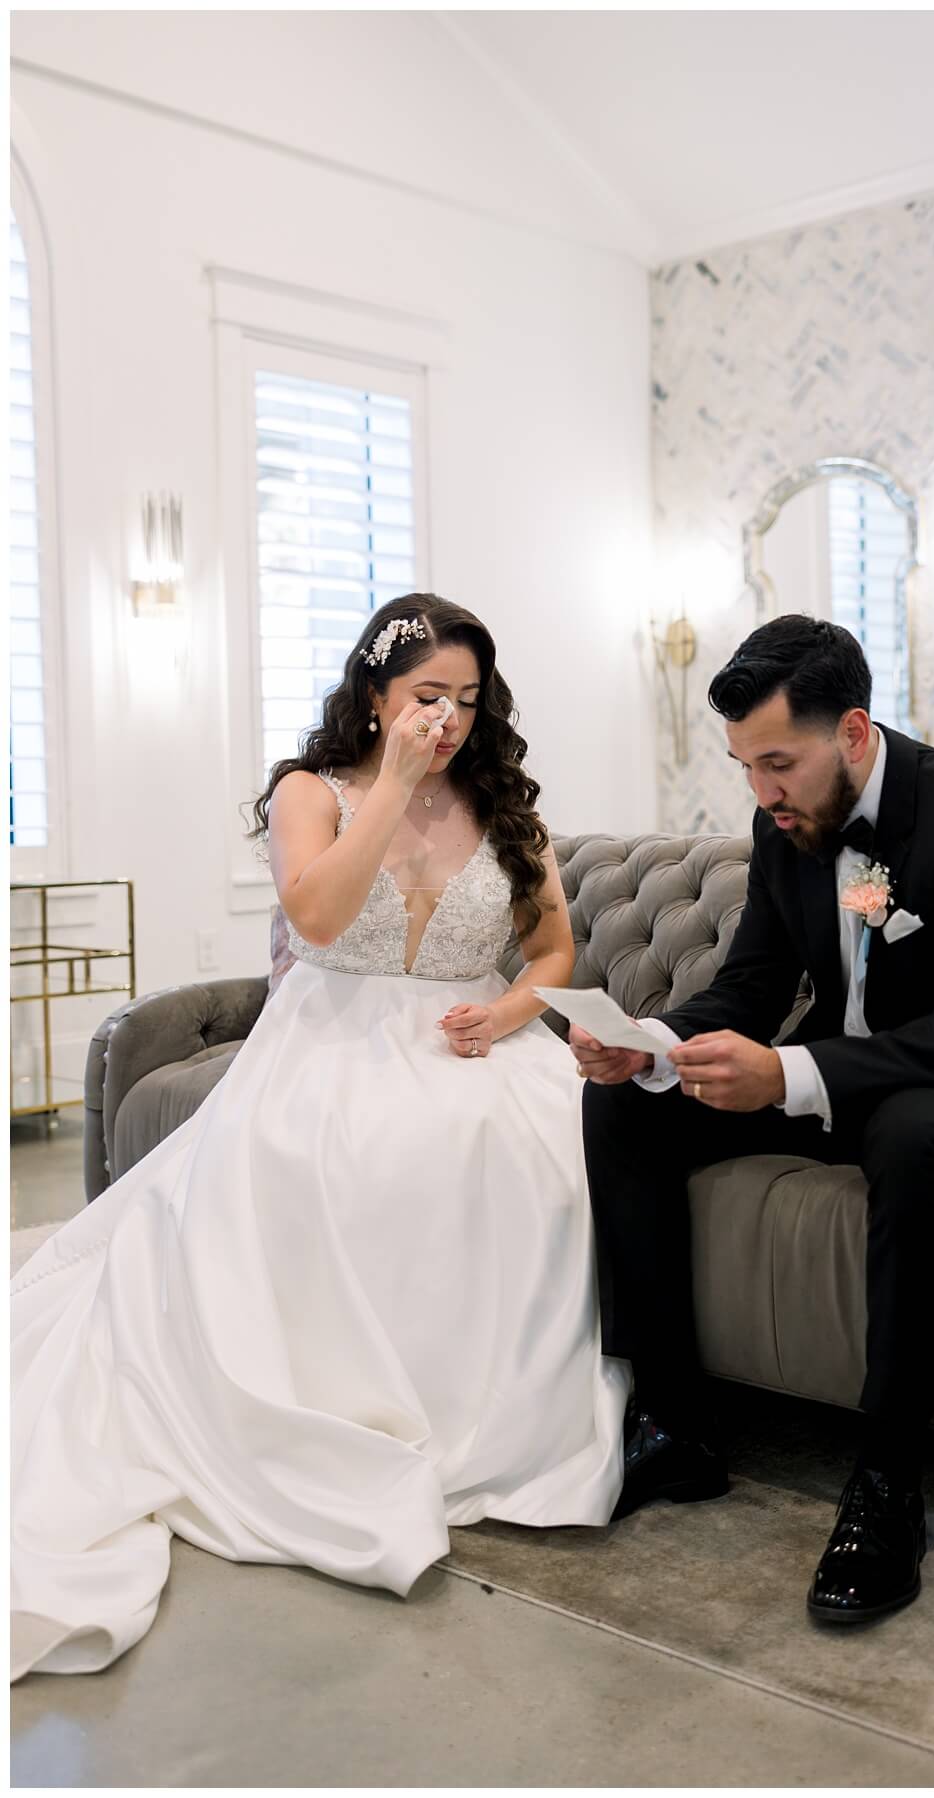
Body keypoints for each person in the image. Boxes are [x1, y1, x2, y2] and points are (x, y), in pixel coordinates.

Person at [12, 596, 627, 1682]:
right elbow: (320, 919)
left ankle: (487, 1419)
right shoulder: (315, 790)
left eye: (468, 701)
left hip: (474, 1038)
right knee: (345, 1156)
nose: (447, 720)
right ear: (377, 694)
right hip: (334, 1036)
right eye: (427, 696)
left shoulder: (504, 811)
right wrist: (389, 788)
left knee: (539, 1156)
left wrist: (511, 1012)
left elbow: (553, 953)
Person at [574, 615, 934, 1622]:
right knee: (625, 1104)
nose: (762, 792)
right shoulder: (782, 825)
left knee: (914, 1131)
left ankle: (886, 1487)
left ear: (856, 733)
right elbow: (751, 985)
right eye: (746, 767)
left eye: (779, 764)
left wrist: (785, 1073)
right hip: (856, 1081)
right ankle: (672, 1422)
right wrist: (653, 1043)